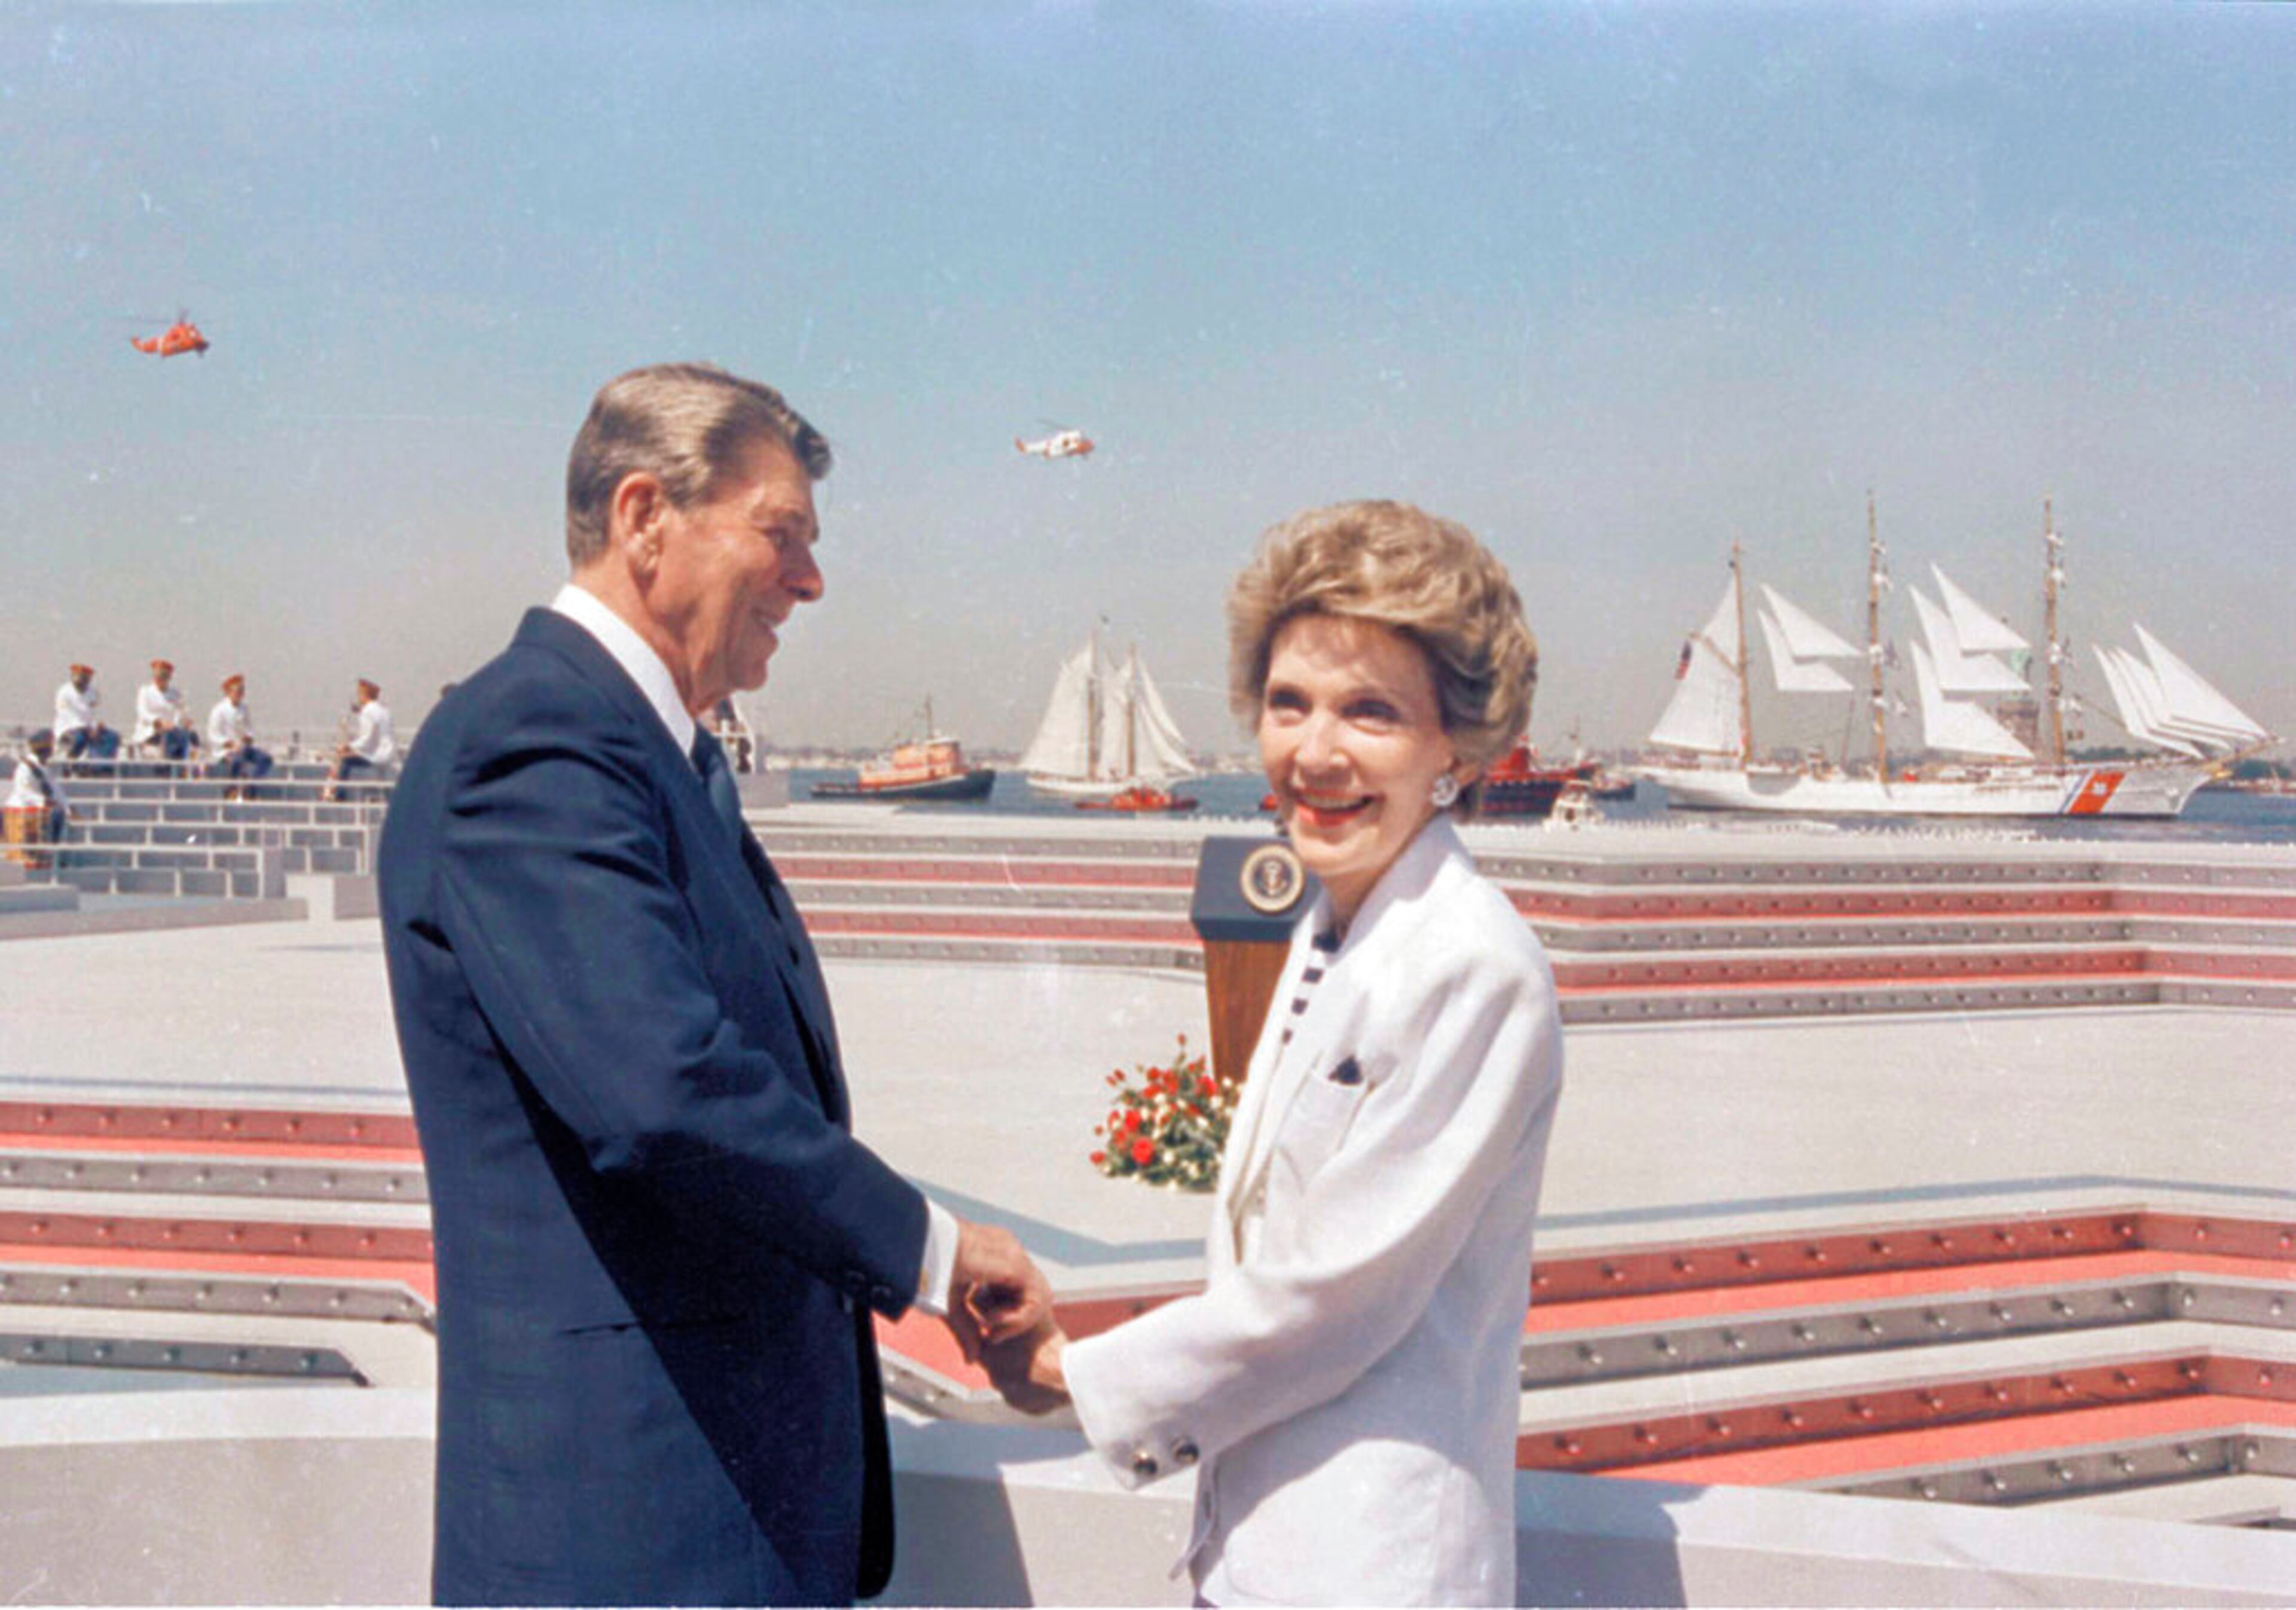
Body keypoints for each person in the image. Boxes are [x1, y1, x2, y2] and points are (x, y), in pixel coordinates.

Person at [377, 362, 1049, 1607]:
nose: (810, 579)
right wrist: (937, 1252)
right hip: (634, 1532)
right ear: (645, 517)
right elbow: (662, 1087)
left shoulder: (648, 754)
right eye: (781, 534)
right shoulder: (539, 736)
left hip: (712, 1515)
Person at [984, 500, 1563, 1607]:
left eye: (1372, 712)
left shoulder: (1474, 964)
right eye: (1289, 703)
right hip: (1261, 1550)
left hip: (1375, 1566)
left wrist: (1071, 1374)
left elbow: (1332, 1298)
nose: (1315, 750)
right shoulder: (1334, 924)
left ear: (1458, 746)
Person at [326, 678, 396, 798]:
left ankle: (340, 795)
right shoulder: (384, 710)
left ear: (364, 695)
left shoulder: (368, 712)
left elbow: (366, 739)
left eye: (359, 694)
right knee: (384, 778)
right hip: (389, 753)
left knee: (346, 762)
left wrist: (347, 747)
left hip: (376, 755)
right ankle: (388, 797)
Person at [207, 674, 275, 790]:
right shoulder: (219, 710)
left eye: (242, 691)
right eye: (238, 691)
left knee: (265, 759)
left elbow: (250, 729)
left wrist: (248, 737)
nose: (241, 694)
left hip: (243, 748)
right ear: (229, 692)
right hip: (226, 751)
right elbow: (213, 736)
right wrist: (230, 744)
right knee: (237, 761)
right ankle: (231, 789)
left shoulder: (244, 708)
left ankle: (252, 785)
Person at [6, 730, 70, 844]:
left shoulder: (45, 768)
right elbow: (23, 792)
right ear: (43, 750)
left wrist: (67, 808)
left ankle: (54, 849)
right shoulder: (25, 767)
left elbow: (56, 791)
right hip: (22, 809)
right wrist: (43, 801)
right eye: (49, 747)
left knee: (59, 814)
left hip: (42, 812)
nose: (52, 751)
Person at [133, 659, 200, 763]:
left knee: (190, 736)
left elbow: (181, 712)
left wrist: (184, 721)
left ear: (169, 678)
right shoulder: (145, 692)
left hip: (173, 730)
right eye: (157, 676)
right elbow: (143, 713)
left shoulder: (175, 693)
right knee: (170, 737)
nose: (159, 679)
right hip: (152, 731)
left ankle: (183, 768)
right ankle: (168, 767)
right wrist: (159, 722)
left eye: (163, 677)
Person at [52, 664, 119, 762]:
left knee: (112, 737)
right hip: (68, 728)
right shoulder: (64, 692)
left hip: (90, 729)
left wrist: (97, 726)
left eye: (86, 678)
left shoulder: (93, 692)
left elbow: (93, 713)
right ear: (73, 677)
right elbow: (65, 714)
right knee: (79, 739)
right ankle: (70, 765)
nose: (83, 680)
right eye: (80, 677)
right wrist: (84, 728)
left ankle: (99, 767)